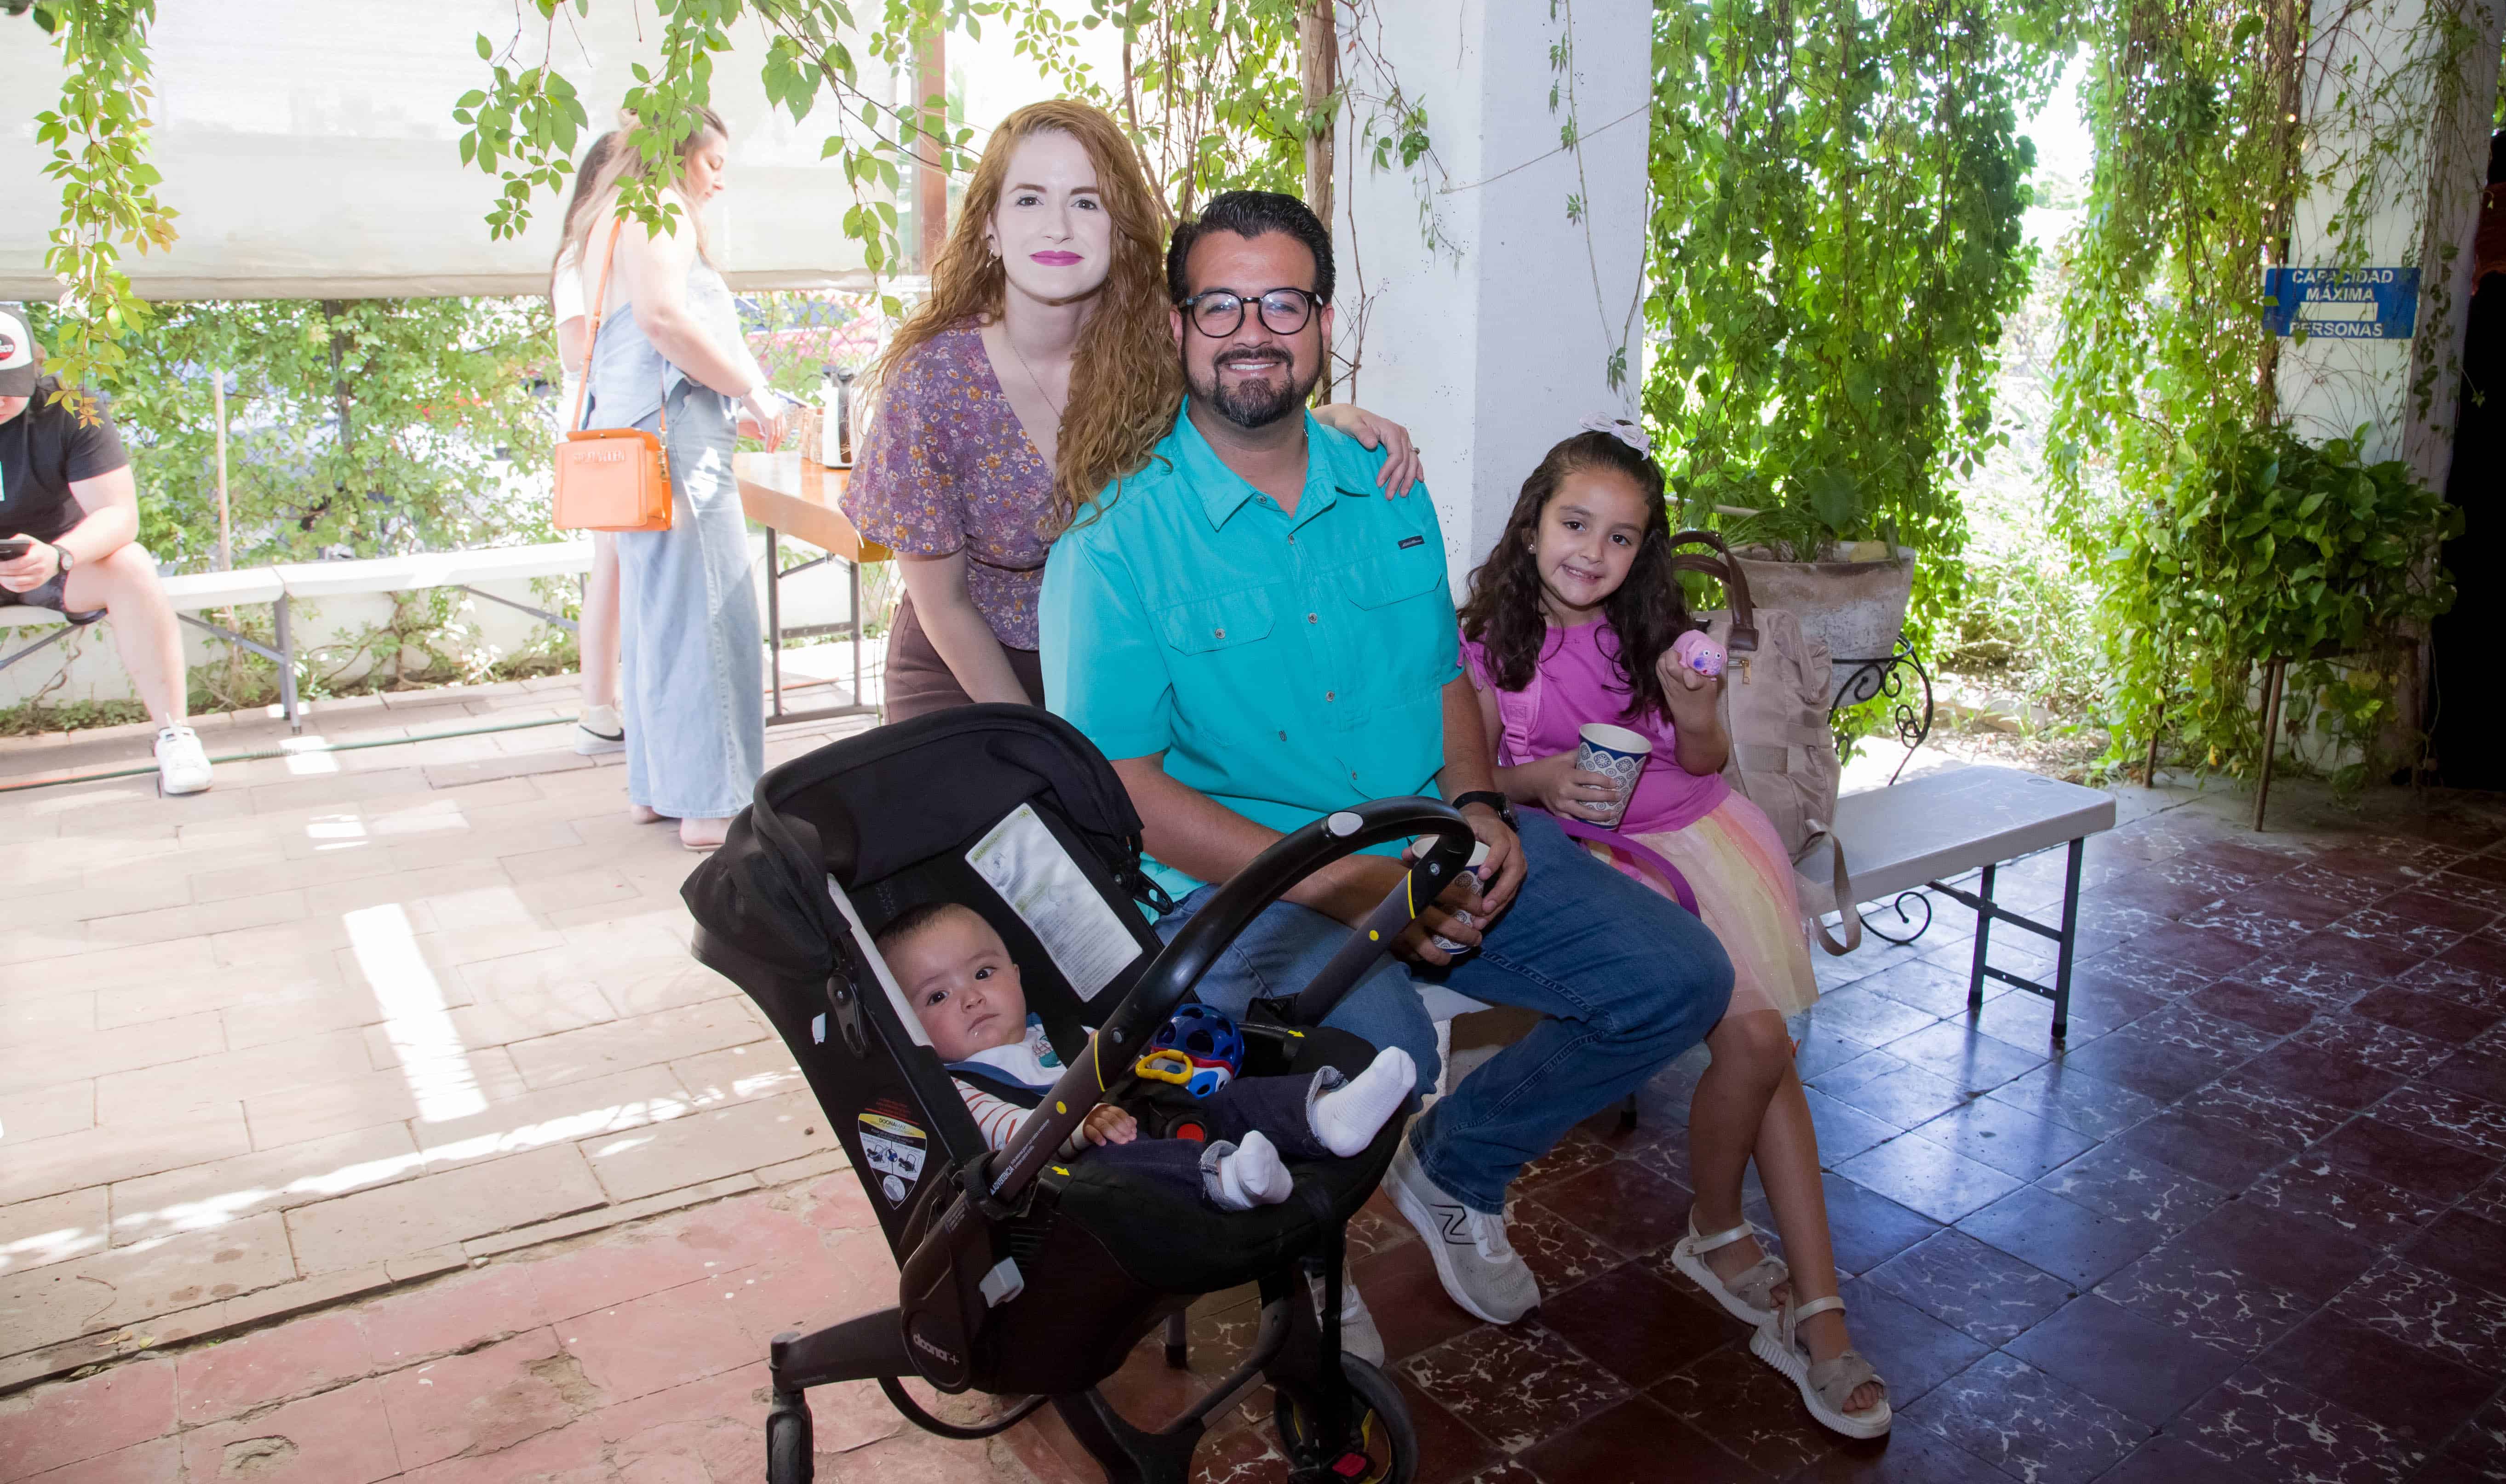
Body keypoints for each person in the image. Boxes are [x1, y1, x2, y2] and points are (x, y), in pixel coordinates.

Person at [1039, 190, 1734, 1336]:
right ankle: (1302, 1266)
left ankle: (1456, 1167)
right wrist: (1353, 884)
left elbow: (1439, 681)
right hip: (1241, 884)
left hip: (1424, 838)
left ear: (1322, 325)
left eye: (1281, 302)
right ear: (1174, 328)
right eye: (1218, 303)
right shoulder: (1114, 541)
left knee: (1676, 978)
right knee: (1388, 1050)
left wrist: (1475, 807)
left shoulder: (1387, 492)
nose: (1250, 329)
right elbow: (1124, 789)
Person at [1458, 426, 1890, 1438]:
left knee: (1765, 1045)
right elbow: (1473, 774)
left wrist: (1698, 705)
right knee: (1758, 1044)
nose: (1591, 554)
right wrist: (1538, 781)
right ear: (1530, 525)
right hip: (1587, 862)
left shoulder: (1650, 630)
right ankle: (1744, 1254)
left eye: (1620, 538)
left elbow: (1702, 761)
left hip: (1700, 839)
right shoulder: (1482, 646)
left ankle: (1766, 1270)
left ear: (1642, 550)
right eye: (1574, 525)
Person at [847, 99, 1423, 722]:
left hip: (1132, 653)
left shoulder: (1161, 346)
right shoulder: (934, 380)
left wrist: (1330, 420)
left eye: (1087, 202)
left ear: (1119, 227)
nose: (1058, 227)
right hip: (968, 668)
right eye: (1029, 200)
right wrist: (1044, 741)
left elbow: (1245, 407)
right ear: (990, 226)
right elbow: (945, 605)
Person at [874, 900, 1419, 1211]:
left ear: (1017, 976)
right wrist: (1079, 1127)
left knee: (1233, 1100)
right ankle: (1230, 1179)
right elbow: (1010, 1135)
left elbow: (1137, 1057)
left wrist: (1180, 1057)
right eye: (937, 996)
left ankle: (1324, 1114)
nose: (970, 996)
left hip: (1155, 1115)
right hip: (1079, 1175)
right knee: (1121, 1168)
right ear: (909, 1025)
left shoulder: (1066, 1033)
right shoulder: (958, 1086)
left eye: (984, 973)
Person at [572, 109, 790, 850]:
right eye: (715, 162)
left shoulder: (607, 214)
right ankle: (715, 803)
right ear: (679, 154)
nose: (721, 180)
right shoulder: (659, 206)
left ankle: (660, 789)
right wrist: (753, 389)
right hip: (675, 431)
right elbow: (665, 317)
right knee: (712, 614)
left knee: (658, 618)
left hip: (628, 434)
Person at [0, 304, 211, 796]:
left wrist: (59, 556)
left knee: (131, 565)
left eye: (9, 382)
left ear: (37, 363)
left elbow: (119, 515)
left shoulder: (73, 406)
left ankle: (175, 735)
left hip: (58, 562)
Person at [549, 131, 627, 757]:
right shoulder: (582, 258)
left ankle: (605, 703)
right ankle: (597, 704)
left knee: (622, 567)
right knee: (615, 565)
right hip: (607, 431)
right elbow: (576, 350)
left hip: (616, 427)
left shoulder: (596, 250)